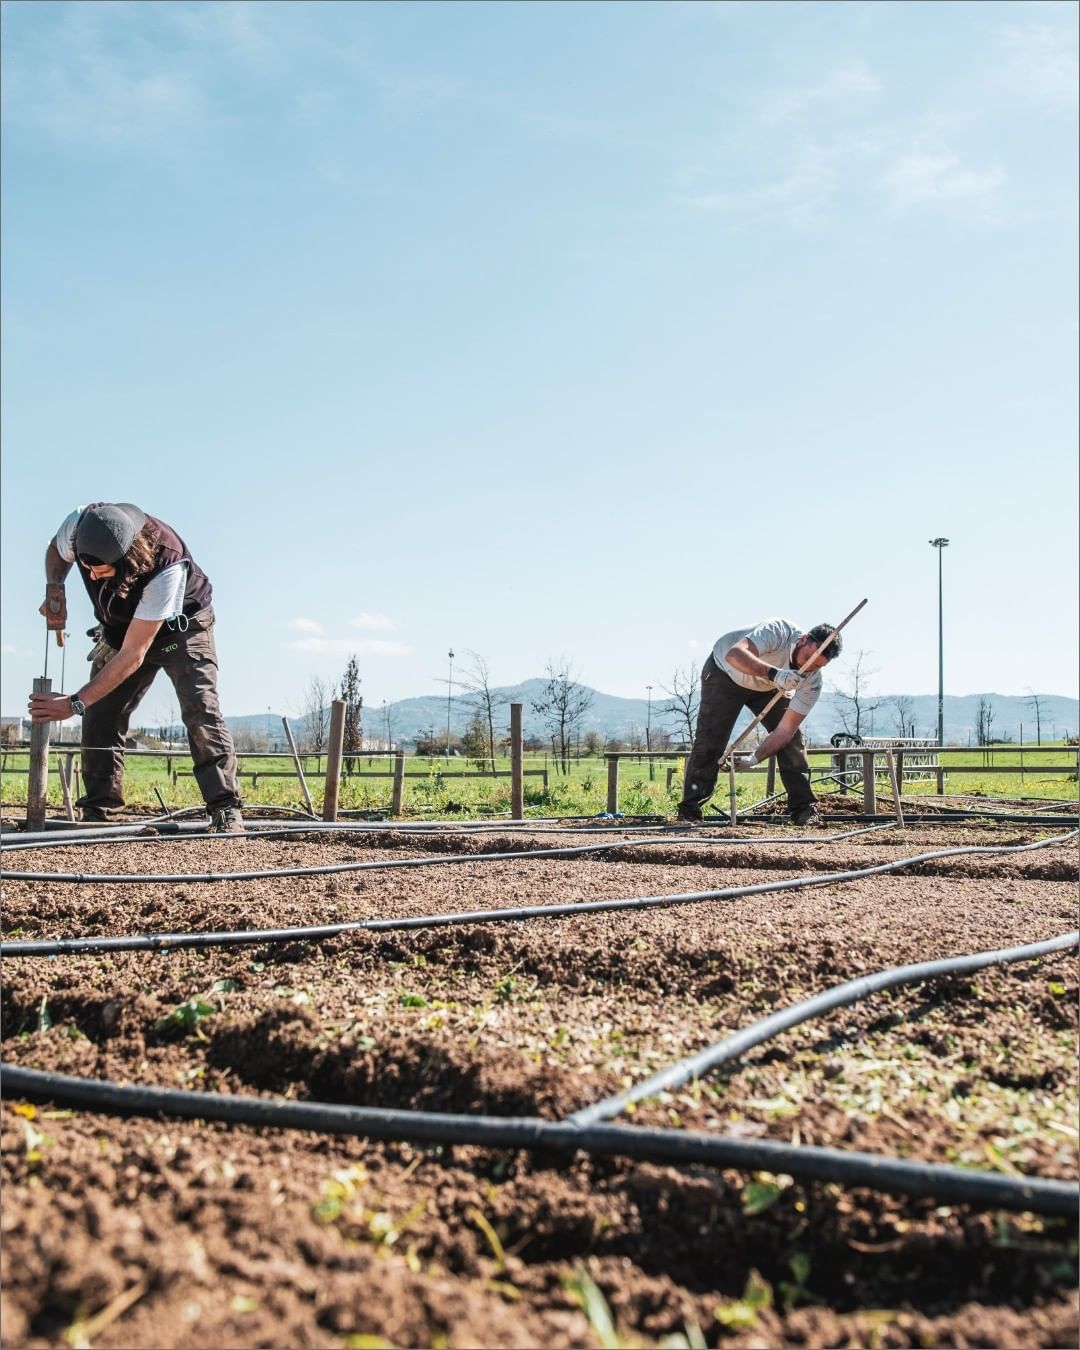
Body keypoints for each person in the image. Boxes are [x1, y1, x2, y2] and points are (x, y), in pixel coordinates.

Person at [28, 502, 244, 833]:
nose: (92, 575)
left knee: (199, 706)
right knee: (100, 712)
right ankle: (99, 809)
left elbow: (134, 653)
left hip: (179, 635)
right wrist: (55, 586)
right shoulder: (80, 525)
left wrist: (73, 703)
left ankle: (224, 808)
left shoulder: (165, 565)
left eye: (100, 570)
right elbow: (55, 553)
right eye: (87, 567)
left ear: (127, 560)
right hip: (122, 629)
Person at [677, 618, 842, 827]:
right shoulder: (777, 632)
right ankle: (690, 811)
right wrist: (775, 674)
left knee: (793, 742)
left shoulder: (812, 681)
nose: (807, 668)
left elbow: (785, 730)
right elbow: (735, 655)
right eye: (808, 658)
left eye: (817, 667)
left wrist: (754, 758)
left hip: (770, 687)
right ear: (803, 640)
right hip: (726, 673)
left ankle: (804, 808)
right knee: (710, 742)